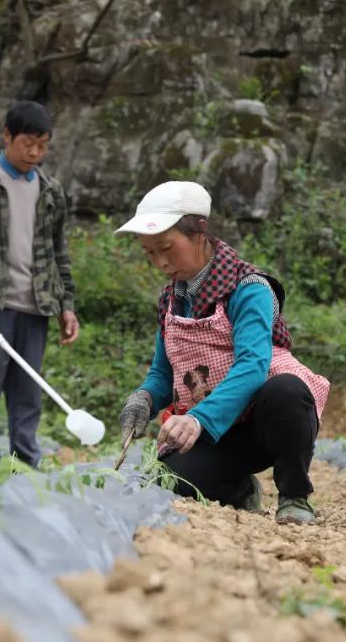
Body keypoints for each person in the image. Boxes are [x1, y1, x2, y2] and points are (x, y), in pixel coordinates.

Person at [115, 181, 330, 525]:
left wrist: (198, 418)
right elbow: (163, 372)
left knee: (286, 391)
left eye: (167, 248)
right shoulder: (172, 298)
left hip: (261, 425)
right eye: (150, 253)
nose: (161, 262)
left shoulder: (248, 289)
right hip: (217, 434)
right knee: (169, 480)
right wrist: (143, 398)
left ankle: (294, 495)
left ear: (200, 233)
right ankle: (239, 488)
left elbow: (253, 366)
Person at [0, 100, 79, 471]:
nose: (35, 153)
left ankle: (25, 471)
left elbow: (59, 255)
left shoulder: (51, 192)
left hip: (35, 308)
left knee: (27, 398)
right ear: (7, 136)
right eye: (27, 143)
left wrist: (66, 304)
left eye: (43, 145)